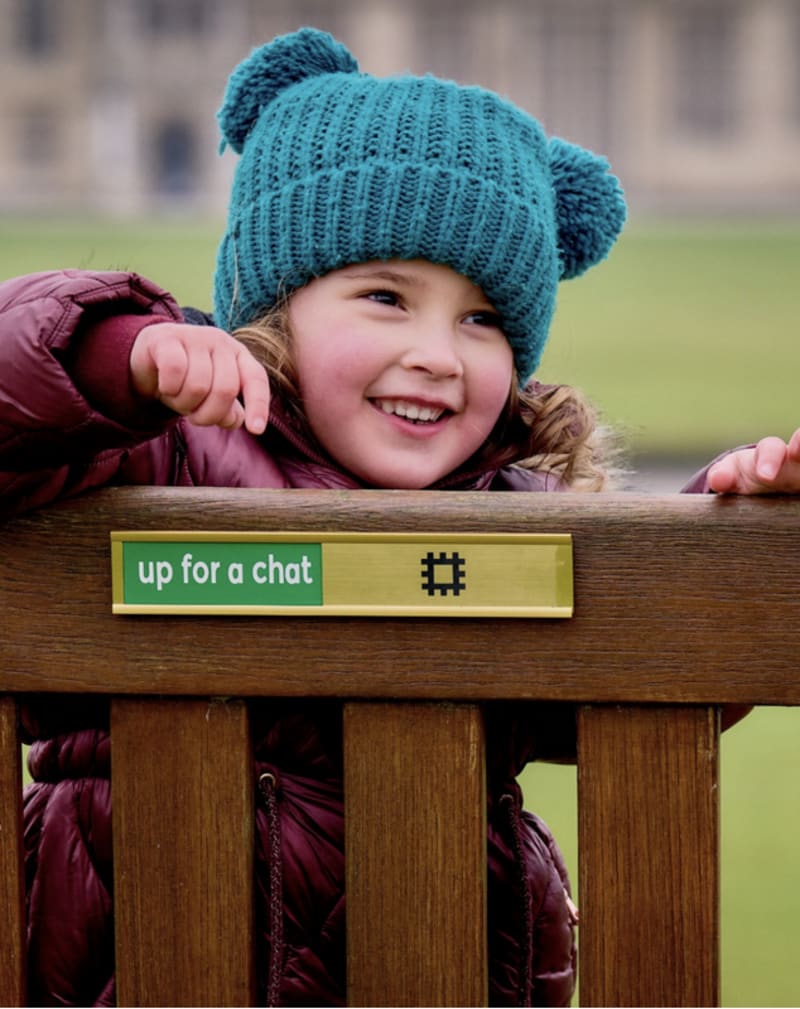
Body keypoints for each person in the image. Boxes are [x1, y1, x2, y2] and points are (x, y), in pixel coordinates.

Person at [2, 26, 799, 1009]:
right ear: (273, 306)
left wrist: (721, 532)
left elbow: (627, 676)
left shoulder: (516, 518)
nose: (438, 354)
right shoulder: (165, 452)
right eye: (385, 296)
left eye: (482, 319)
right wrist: (113, 357)